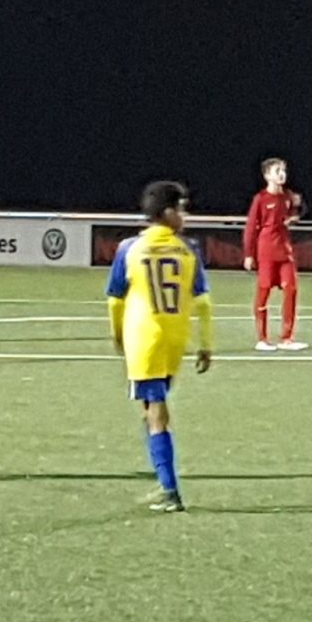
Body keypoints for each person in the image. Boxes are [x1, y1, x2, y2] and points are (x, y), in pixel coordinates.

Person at [105, 181, 213, 513]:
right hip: (175, 340)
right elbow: (203, 302)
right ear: (167, 213)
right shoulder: (188, 249)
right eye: (181, 209)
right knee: (152, 406)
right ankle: (163, 478)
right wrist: (205, 344)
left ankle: (169, 489)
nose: (185, 215)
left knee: (155, 411)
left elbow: (115, 299)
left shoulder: (129, 248)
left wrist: (118, 336)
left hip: (144, 339)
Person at [242, 158, 307, 352]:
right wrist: (249, 253)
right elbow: (251, 227)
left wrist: (293, 216)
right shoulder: (260, 199)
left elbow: (293, 213)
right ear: (267, 176)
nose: (282, 174)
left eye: (283, 170)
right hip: (266, 250)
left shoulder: (287, 196)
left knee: (291, 289)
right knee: (264, 291)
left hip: (284, 250)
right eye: (277, 170)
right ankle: (262, 339)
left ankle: (287, 338)